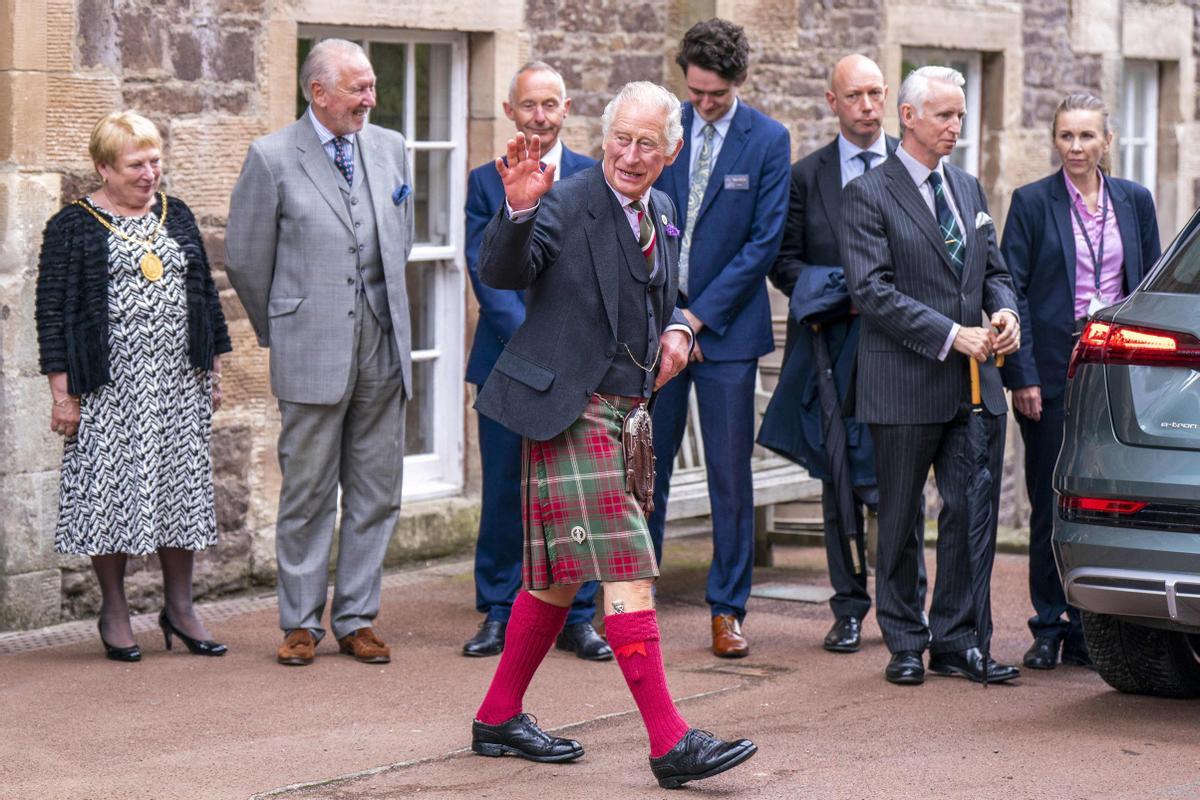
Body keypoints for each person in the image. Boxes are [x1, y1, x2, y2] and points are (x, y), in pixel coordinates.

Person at [469, 82, 756, 789]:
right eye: (620, 140)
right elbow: (502, 270)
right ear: (604, 139)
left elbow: (652, 306)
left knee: (561, 581)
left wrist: (681, 328)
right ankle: (670, 742)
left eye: (646, 144)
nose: (630, 155)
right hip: (569, 407)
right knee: (629, 564)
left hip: (626, 413)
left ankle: (499, 714)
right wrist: (518, 207)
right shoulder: (564, 200)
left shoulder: (660, 207)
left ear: (672, 152)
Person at [225, 38, 414, 667]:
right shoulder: (272, 156)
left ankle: (357, 618)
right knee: (307, 490)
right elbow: (248, 261)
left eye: (371, 87)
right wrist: (286, 326)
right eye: (357, 88)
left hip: (383, 347)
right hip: (310, 348)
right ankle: (301, 622)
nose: (369, 98)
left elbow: (399, 244)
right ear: (318, 92)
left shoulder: (390, 149)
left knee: (376, 491)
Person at [841, 65, 1022, 686]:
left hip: (974, 386)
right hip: (902, 382)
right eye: (945, 115)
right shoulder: (868, 192)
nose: (956, 126)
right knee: (898, 519)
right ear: (909, 117)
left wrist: (1004, 310)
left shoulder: (968, 188)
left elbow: (994, 269)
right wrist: (950, 334)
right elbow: (872, 291)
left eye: (961, 115)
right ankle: (903, 642)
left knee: (970, 515)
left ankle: (958, 642)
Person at [35, 110, 230, 662]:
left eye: (155, 161)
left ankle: (181, 608)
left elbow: (206, 298)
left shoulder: (178, 214)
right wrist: (62, 393)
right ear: (103, 168)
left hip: (177, 381)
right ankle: (115, 610)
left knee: (179, 489)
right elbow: (52, 314)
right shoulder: (72, 226)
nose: (150, 174)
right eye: (136, 164)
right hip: (108, 387)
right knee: (111, 495)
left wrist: (212, 368)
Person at [760, 54, 927, 655]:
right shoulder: (807, 177)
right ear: (832, 101)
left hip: (903, 348)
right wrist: (847, 293)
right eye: (854, 96)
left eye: (876, 94)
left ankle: (906, 608)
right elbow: (785, 262)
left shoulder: (914, 170)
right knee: (838, 480)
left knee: (902, 476)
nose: (867, 106)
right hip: (835, 352)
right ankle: (849, 607)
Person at [1000, 92, 1160, 671]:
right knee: (1050, 495)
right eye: (1066, 136)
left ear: (1106, 142)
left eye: (1086, 136)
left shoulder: (1135, 202)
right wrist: (1022, 375)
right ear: (1055, 139)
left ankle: (1095, 629)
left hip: (1116, 368)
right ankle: (1048, 624)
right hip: (1052, 367)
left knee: (1115, 497)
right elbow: (1009, 290)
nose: (1075, 147)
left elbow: (1147, 286)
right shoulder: (1031, 203)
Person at [647, 18, 791, 658]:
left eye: (716, 94)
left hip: (727, 334)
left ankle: (727, 610)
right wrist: (669, 318)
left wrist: (697, 319)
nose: (703, 104)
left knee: (730, 478)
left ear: (738, 81)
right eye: (696, 91)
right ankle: (634, 600)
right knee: (645, 469)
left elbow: (762, 244)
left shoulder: (768, 140)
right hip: (656, 329)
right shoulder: (664, 124)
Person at [462, 61, 610, 661]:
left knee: (577, 497)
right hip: (505, 363)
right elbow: (487, 273)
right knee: (503, 492)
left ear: (567, 109)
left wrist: (564, 355)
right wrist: (536, 349)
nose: (540, 117)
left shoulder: (595, 178)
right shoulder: (482, 181)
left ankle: (577, 616)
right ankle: (499, 610)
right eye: (529, 106)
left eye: (551, 105)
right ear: (510, 112)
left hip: (580, 372)